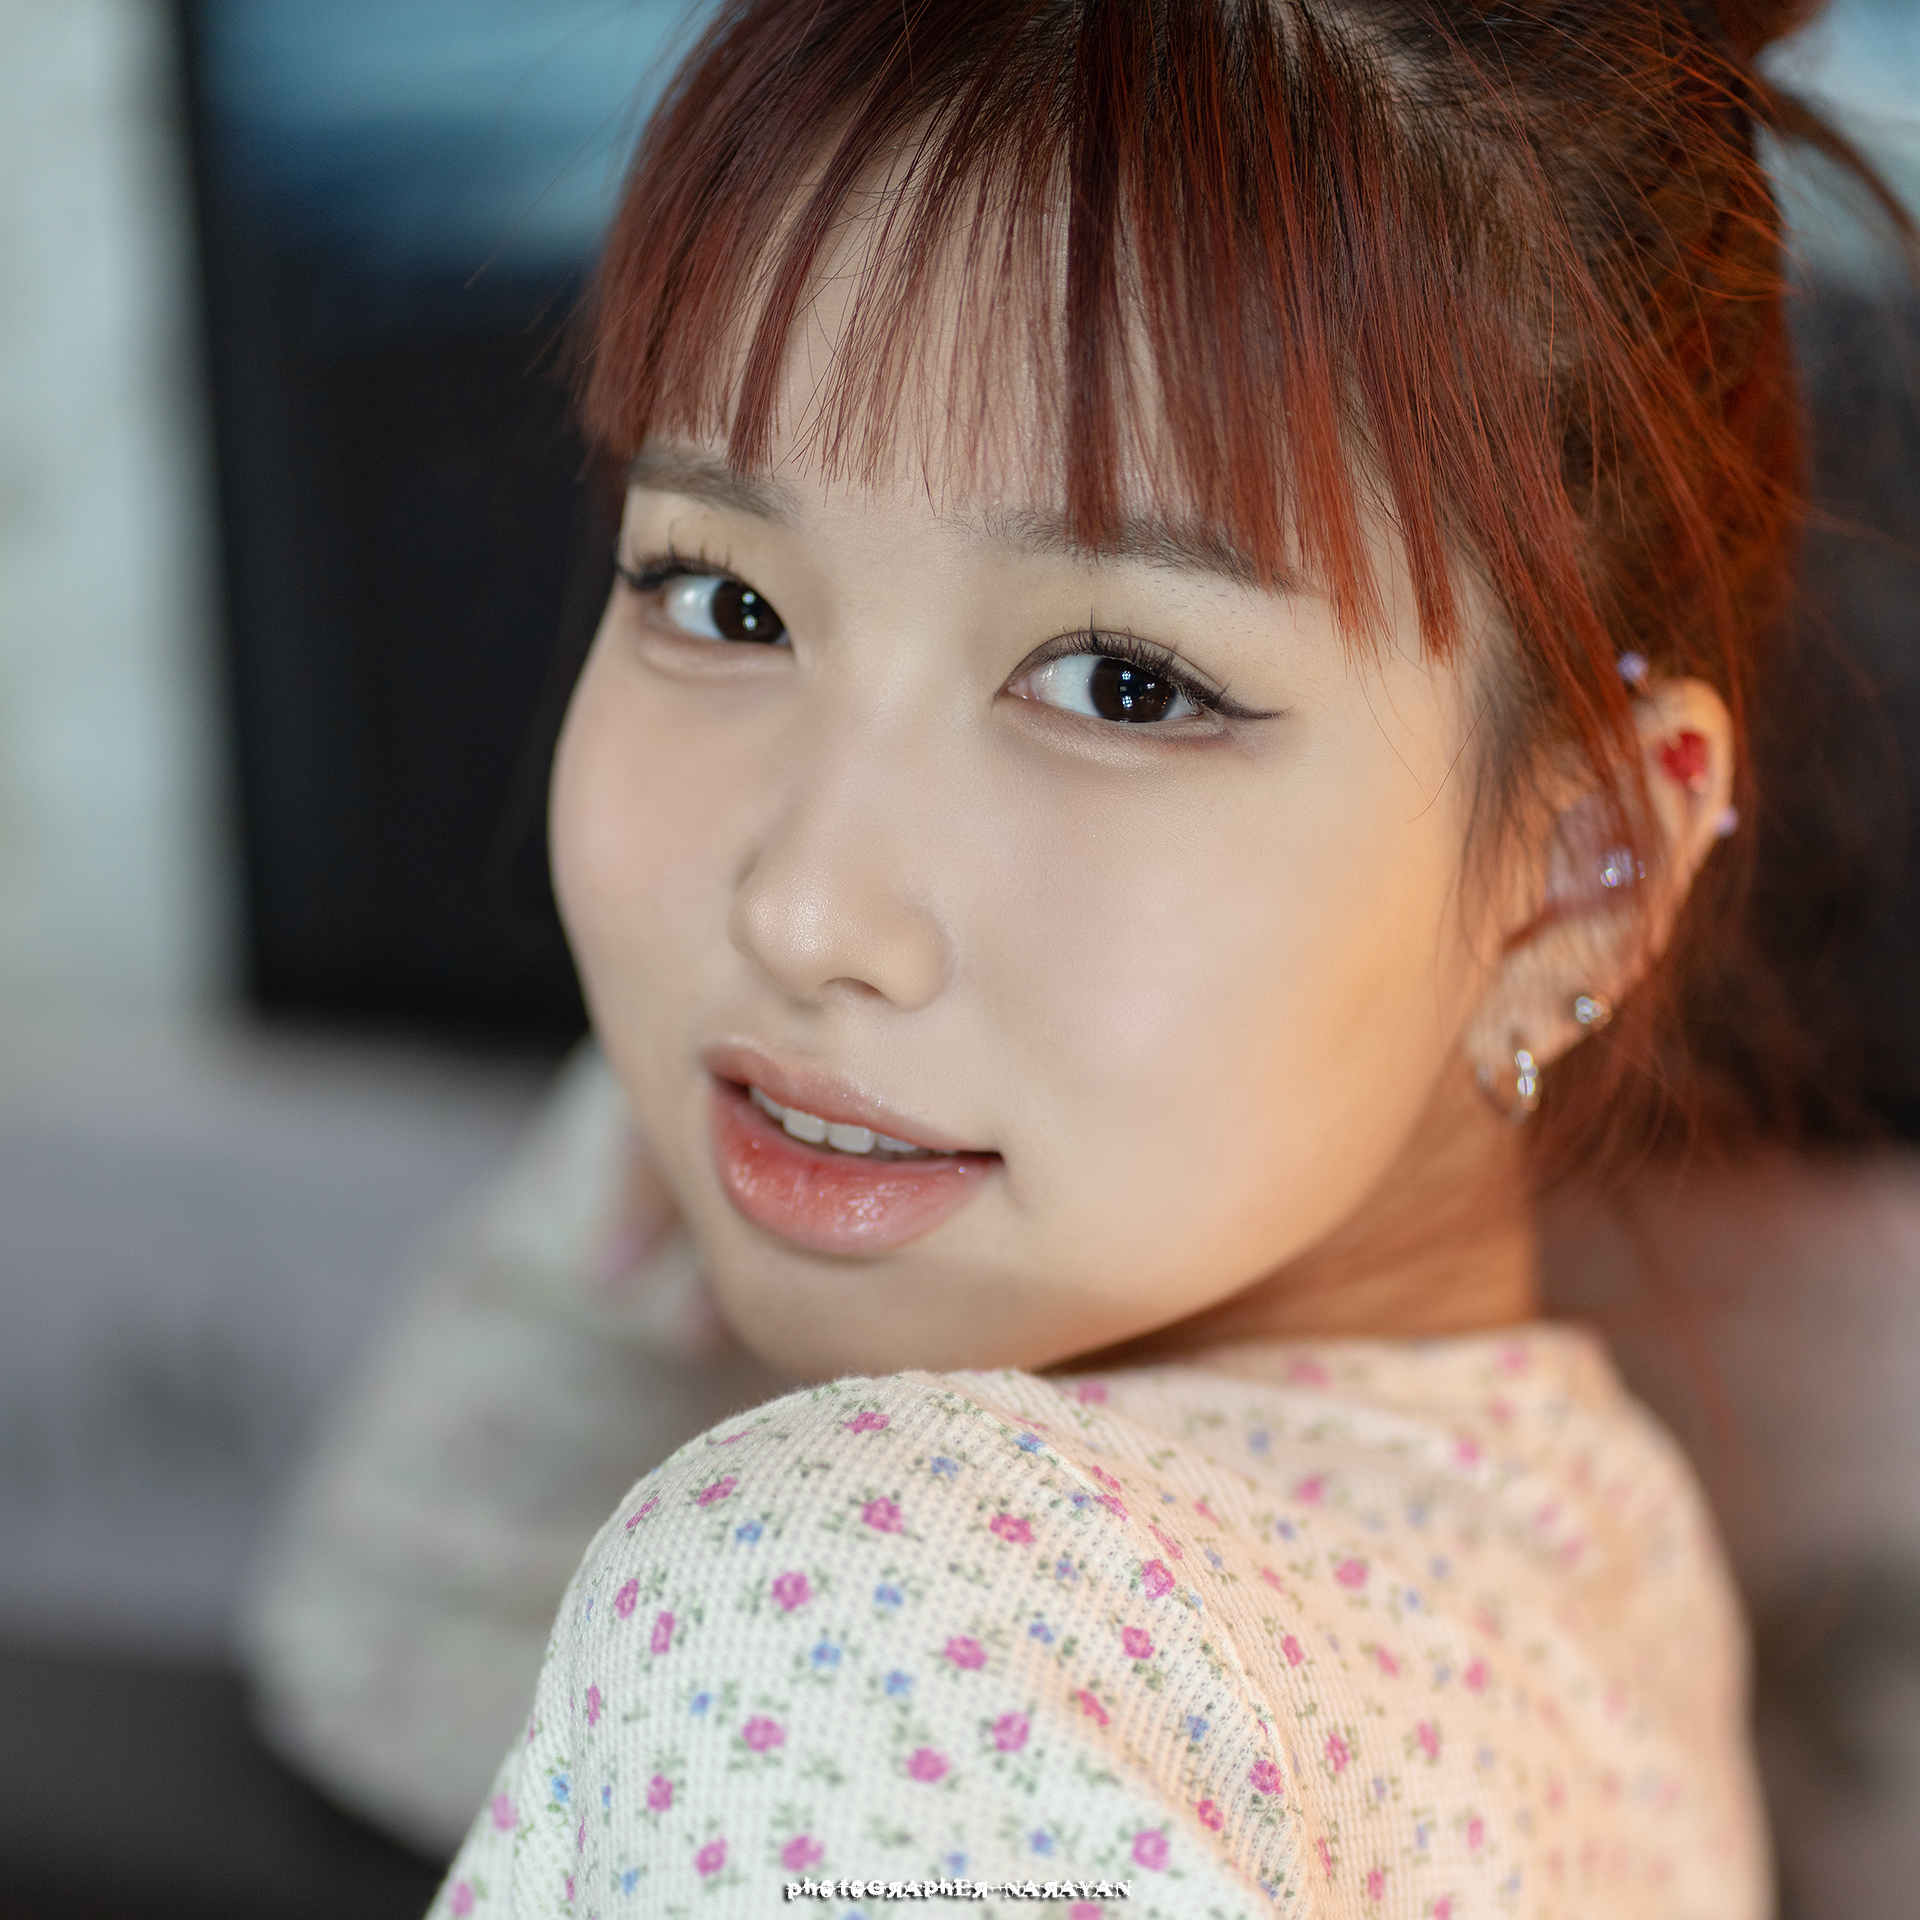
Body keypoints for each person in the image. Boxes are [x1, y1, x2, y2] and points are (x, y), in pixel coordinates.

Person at [385, 0, 1915, 1912]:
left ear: (1582, 870)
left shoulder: (875, 1604)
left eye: (1124, 684)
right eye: (724, 596)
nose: (803, 912)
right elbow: (412, 1684)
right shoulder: (1578, 1560)